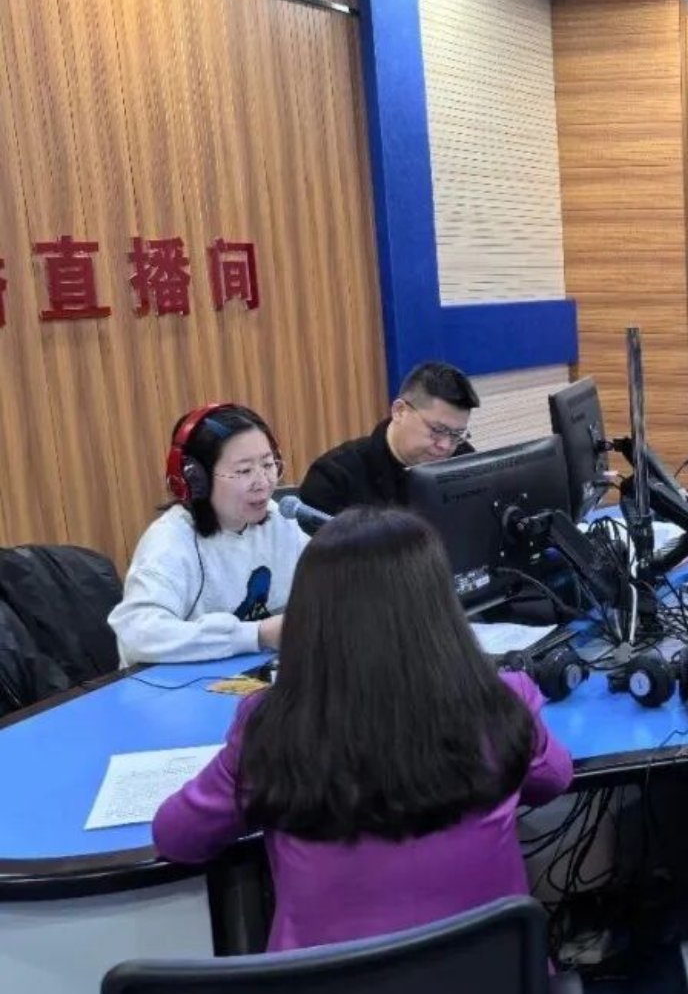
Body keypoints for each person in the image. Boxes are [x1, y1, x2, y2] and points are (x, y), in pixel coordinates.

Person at [152, 506, 574, 952]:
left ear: (311, 615)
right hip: (498, 990)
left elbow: (177, 836)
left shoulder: (271, 725)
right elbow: (554, 777)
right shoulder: (503, 700)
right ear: (440, 606)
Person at [109, 403, 309, 666]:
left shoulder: (279, 519)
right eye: (244, 471)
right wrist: (257, 634)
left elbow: (324, 584)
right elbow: (137, 634)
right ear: (196, 480)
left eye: (268, 464)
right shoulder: (169, 542)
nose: (263, 482)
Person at [298, 361, 480, 514]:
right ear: (399, 411)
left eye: (457, 434)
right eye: (437, 430)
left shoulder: (465, 462)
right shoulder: (334, 479)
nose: (445, 446)